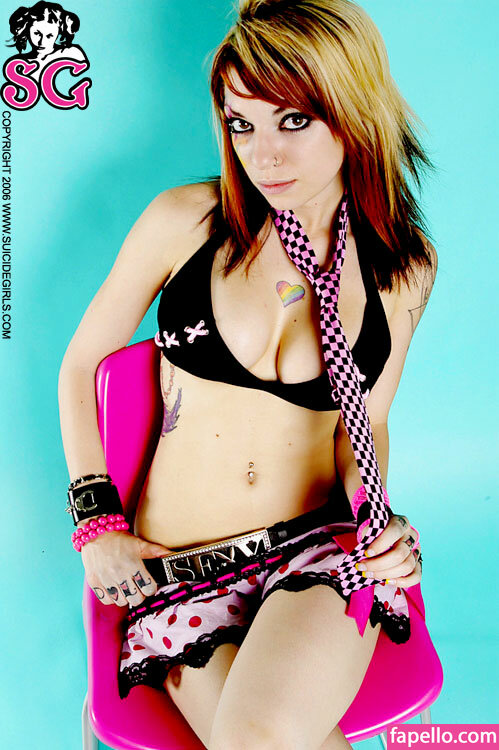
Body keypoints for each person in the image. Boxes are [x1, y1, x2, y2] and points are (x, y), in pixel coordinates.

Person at [58, 1, 438, 747]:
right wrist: (96, 521)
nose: (264, 156)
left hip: (316, 551)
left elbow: (366, 422)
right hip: (182, 575)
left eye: (293, 121)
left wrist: (377, 516)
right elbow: (81, 365)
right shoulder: (188, 221)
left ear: (353, 112)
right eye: (242, 124)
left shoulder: (401, 268)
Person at [7, 2, 86, 83]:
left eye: (49, 36)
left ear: (58, 33)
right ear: (27, 30)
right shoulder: (17, 64)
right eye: (37, 34)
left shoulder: (72, 54)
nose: (42, 42)